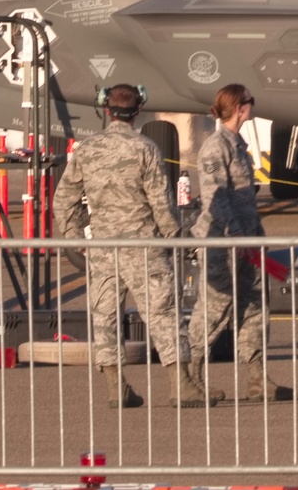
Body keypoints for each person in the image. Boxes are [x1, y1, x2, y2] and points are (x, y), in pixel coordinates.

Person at [59, 84, 208, 408]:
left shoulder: (87, 149)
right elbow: (161, 202)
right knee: (163, 314)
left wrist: (74, 238)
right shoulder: (145, 148)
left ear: (105, 109)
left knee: (105, 316)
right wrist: (173, 237)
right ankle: (179, 385)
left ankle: (116, 388)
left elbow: (64, 199)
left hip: (104, 248)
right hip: (143, 246)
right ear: (137, 110)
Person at [190, 84, 291, 403]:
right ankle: (191, 374)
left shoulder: (237, 144)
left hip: (247, 242)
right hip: (224, 243)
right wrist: (236, 235)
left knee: (255, 307)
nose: (252, 105)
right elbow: (215, 199)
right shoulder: (215, 147)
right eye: (250, 101)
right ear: (239, 108)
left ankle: (257, 377)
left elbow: (244, 198)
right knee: (215, 310)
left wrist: (254, 239)